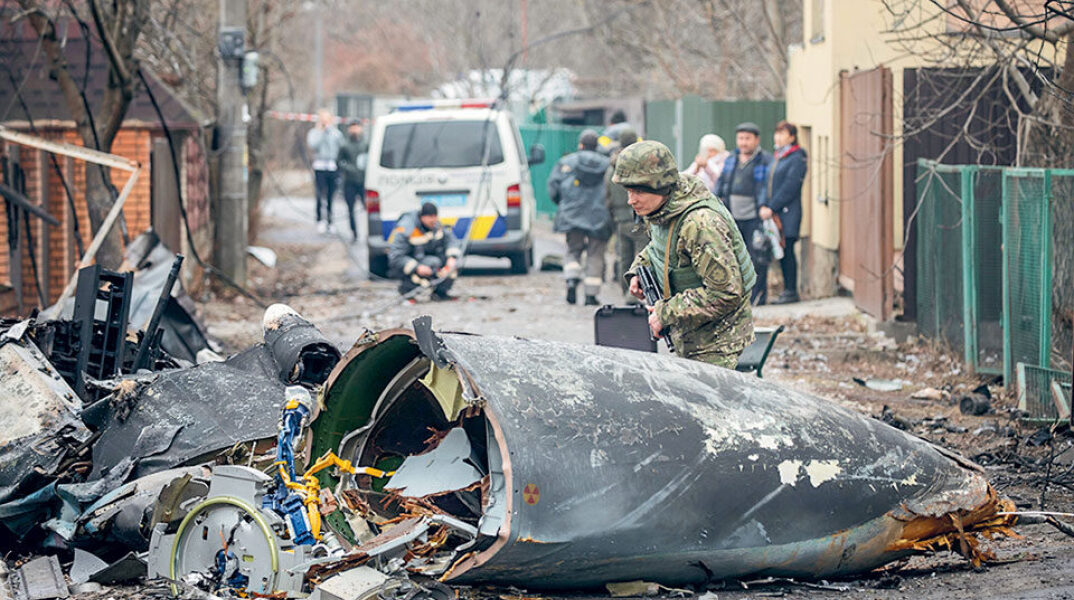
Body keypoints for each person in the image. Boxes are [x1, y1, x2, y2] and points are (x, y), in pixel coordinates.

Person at [614, 140, 755, 368]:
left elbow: (726, 293)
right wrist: (639, 270)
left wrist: (665, 313)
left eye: (638, 191)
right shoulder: (666, 208)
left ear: (659, 185)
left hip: (718, 345)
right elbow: (663, 247)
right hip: (692, 338)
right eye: (628, 191)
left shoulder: (700, 225)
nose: (631, 200)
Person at [547, 129, 612, 305]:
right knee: (595, 254)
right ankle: (591, 295)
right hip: (599, 216)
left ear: (580, 145)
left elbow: (553, 188)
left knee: (573, 249)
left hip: (572, 214)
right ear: (596, 146)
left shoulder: (566, 162)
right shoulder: (607, 165)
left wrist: (563, 204)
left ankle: (571, 279)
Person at [714, 122, 772, 305]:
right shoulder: (732, 158)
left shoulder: (765, 160)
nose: (743, 142)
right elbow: (722, 183)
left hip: (754, 217)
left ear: (756, 140)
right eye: (741, 138)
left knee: (757, 257)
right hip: (732, 216)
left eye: (747, 138)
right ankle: (738, 295)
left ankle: (758, 296)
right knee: (733, 256)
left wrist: (764, 205)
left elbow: (766, 188)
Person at [765, 121, 808, 305]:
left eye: (783, 134)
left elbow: (790, 186)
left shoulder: (797, 157)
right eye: (777, 133)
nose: (778, 137)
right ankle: (786, 290)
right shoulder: (779, 157)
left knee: (788, 250)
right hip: (775, 213)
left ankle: (791, 291)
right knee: (780, 252)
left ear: (792, 137)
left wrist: (772, 206)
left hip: (788, 212)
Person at [604, 127, 648, 301]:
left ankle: (625, 293)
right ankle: (638, 295)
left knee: (624, 257)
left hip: (620, 220)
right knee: (642, 256)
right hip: (639, 219)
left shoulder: (611, 169)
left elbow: (606, 197)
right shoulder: (640, 166)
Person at [387, 202, 460, 301]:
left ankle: (440, 293)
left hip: (428, 259)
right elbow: (395, 257)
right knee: (433, 263)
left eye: (435, 216)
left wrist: (452, 258)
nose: (434, 220)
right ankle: (406, 291)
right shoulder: (406, 228)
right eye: (430, 217)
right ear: (422, 217)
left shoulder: (435, 225)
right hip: (412, 263)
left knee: (451, 265)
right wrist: (417, 267)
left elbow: (450, 239)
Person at [306, 109, 344, 234]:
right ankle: (320, 220)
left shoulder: (336, 133)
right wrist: (322, 133)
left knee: (330, 196)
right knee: (319, 194)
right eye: (323, 119)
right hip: (320, 166)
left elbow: (341, 147)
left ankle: (330, 220)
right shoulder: (314, 133)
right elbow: (313, 145)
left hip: (332, 167)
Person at [336, 119, 368, 243]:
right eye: (352, 127)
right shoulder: (344, 145)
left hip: (364, 182)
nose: (355, 130)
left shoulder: (366, 144)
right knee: (350, 209)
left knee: (369, 209)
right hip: (349, 182)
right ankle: (354, 233)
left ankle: (369, 233)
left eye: (357, 127)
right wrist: (349, 168)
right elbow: (338, 162)